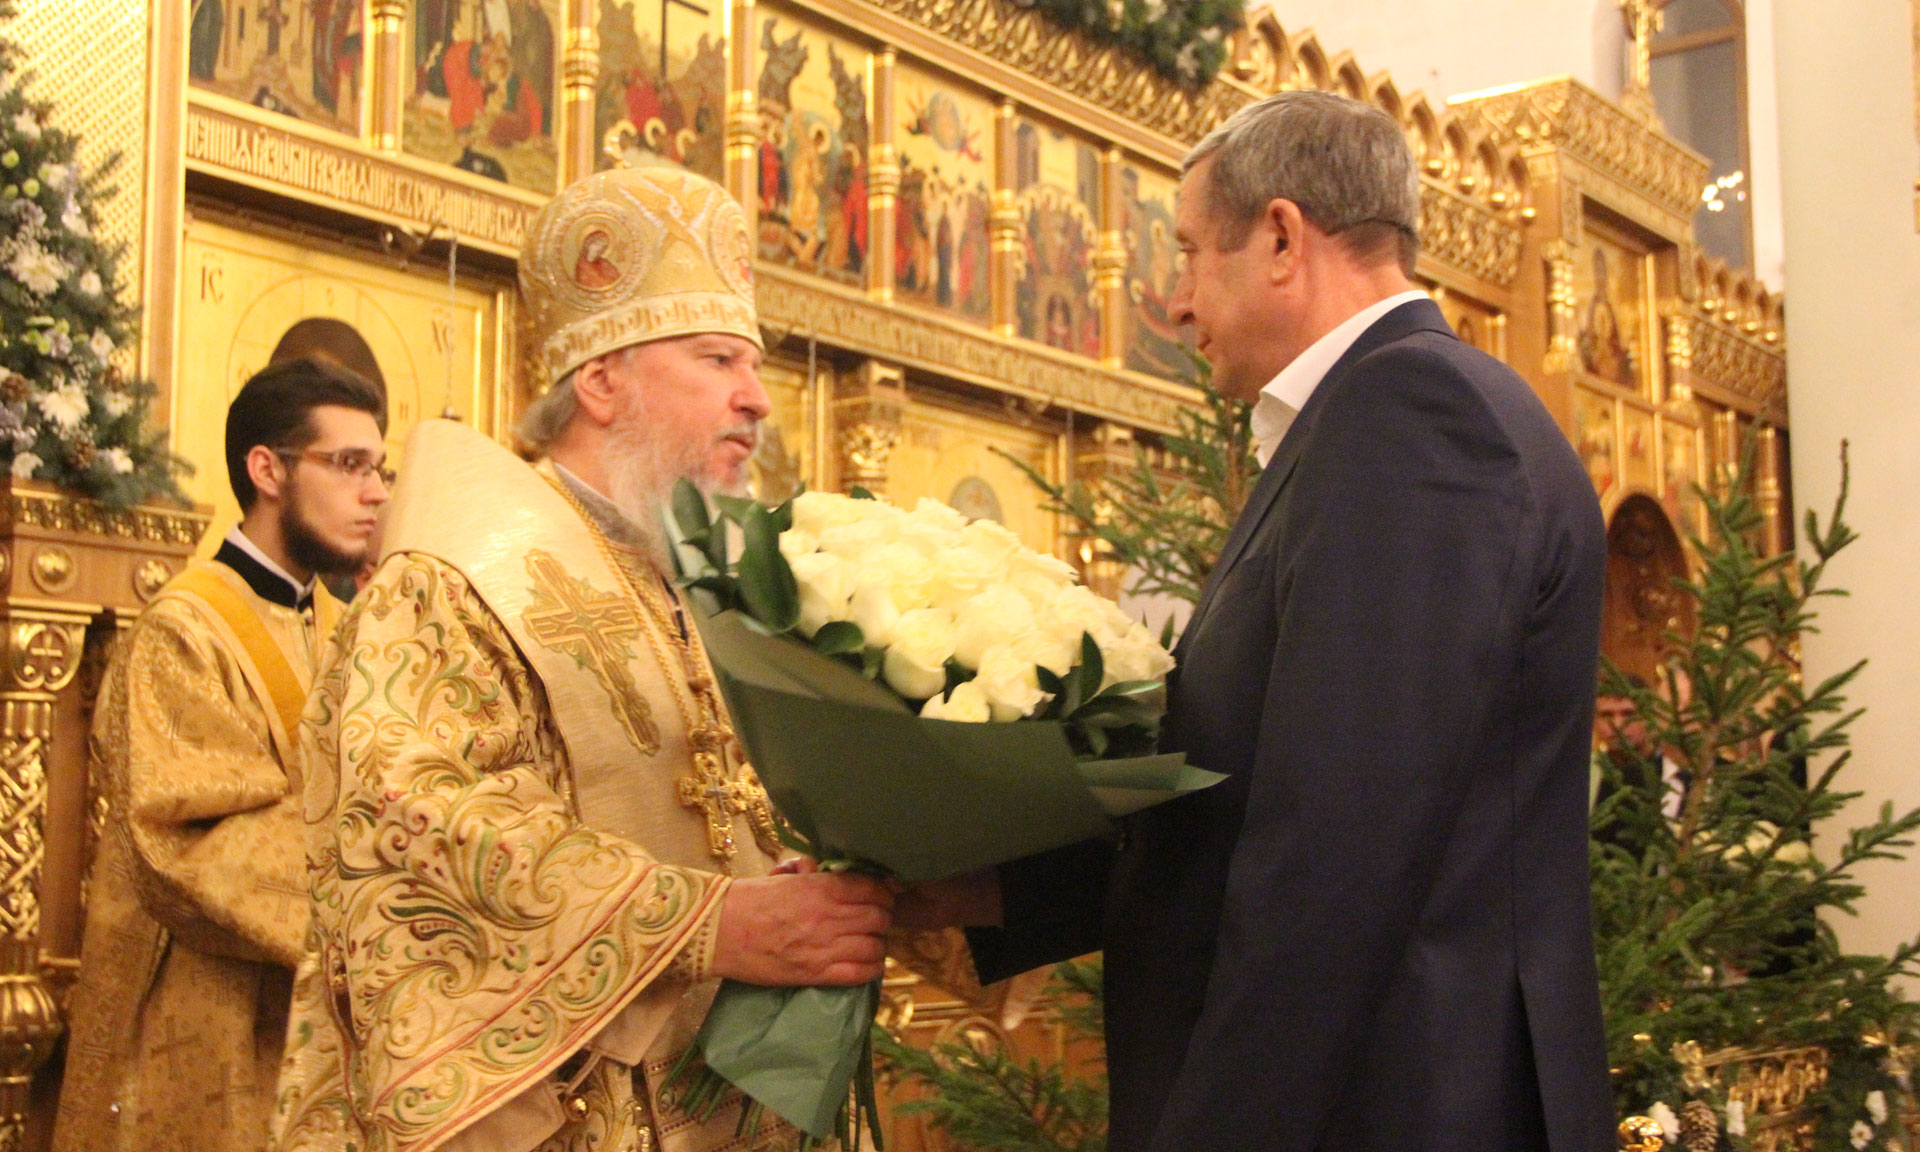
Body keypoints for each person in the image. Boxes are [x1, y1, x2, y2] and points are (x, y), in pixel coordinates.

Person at [915, 90, 1616, 1152]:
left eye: (1192, 253)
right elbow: (1236, 800)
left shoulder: (1411, 416)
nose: (1175, 302)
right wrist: (973, 888)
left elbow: (1334, 855)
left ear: (1283, 238)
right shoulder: (1389, 413)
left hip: (1394, 1108)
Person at [269, 164, 893, 1152]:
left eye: (754, 365)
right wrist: (708, 925)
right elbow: (414, 829)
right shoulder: (451, 581)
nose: (757, 400)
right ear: (601, 379)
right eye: (718, 360)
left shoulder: (708, 584)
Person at [53, 358, 391, 1152]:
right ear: (267, 470)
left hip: (320, 1021)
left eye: (380, 468)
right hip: (204, 1022)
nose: (376, 492)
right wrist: (385, 895)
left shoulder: (343, 627)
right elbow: (184, 838)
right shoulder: (184, 631)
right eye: (349, 464)